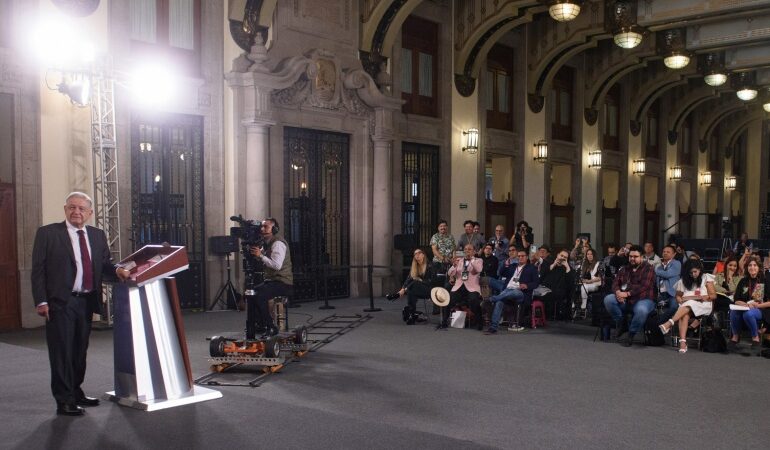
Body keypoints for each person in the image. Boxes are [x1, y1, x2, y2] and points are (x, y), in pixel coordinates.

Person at [31, 192, 131, 416]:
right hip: (60, 303)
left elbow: (104, 264)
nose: (76, 212)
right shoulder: (48, 233)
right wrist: (41, 300)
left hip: (86, 302)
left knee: (79, 351)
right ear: (65, 209)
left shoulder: (96, 235)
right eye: (72, 207)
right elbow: (38, 270)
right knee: (62, 353)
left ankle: (76, 392)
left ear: (90, 213)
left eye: (81, 209)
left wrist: (118, 270)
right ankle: (64, 401)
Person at [247, 217, 293, 339]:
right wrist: (258, 255)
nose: (262, 229)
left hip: (283, 282)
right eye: (261, 226)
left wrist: (261, 256)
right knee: (252, 293)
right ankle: (261, 324)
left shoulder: (277, 243)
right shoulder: (267, 243)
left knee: (259, 294)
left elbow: (277, 266)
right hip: (273, 281)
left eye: (266, 226)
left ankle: (270, 326)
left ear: (274, 229)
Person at [603, 245, 656, 347]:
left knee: (641, 310)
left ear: (642, 257)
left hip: (644, 299)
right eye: (631, 256)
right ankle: (622, 323)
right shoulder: (625, 268)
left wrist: (627, 293)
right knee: (608, 299)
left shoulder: (649, 268)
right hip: (626, 300)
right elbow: (615, 282)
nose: (632, 258)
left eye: (635, 256)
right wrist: (618, 292)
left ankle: (631, 334)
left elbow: (644, 286)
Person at [659, 259, 716, 353]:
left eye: (695, 272)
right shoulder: (683, 281)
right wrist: (679, 299)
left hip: (704, 305)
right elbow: (678, 295)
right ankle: (682, 343)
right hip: (687, 307)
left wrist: (705, 297)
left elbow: (714, 295)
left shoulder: (706, 278)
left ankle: (669, 323)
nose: (693, 274)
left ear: (700, 270)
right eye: (691, 272)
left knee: (688, 304)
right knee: (685, 313)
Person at [485, 249, 539, 333]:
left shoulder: (532, 268)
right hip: (507, 290)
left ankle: (493, 298)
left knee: (513, 292)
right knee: (500, 302)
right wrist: (505, 265)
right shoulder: (513, 266)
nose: (520, 258)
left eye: (522, 256)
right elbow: (501, 273)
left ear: (527, 257)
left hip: (521, 293)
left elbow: (536, 283)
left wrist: (527, 285)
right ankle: (493, 327)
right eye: (519, 256)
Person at [727, 258, 770, 356]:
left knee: (748, 314)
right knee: (734, 312)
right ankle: (735, 337)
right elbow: (736, 300)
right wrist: (745, 304)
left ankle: (755, 338)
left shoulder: (765, 280)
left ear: (759, 267)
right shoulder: (743, 281)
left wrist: (758, 305)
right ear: (747, 268)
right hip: (745, 307)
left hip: (761, 309)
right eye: (750, 265)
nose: (752, 267)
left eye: (755, 265)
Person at [440, 244, 483, 330]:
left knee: (474, 301)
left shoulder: (478, 260)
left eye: (470, 249)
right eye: (466, 249)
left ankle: (479, 322)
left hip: (472, 287)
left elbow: (478, 270)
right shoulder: (459, 260)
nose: (467, 251)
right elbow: (450, 273)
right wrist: (454, 265)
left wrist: (472, 259)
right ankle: (444, 321)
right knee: (448, 300)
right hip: (459, 286)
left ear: (474, 251)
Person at [387, 249, 436, 325]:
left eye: (419, 253)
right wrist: (403, 288)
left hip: (429, 290)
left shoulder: (430, 265)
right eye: (415, 254)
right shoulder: (414, 267)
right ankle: (411, 316)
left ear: (423, 254)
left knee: (415, 283)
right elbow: (408, 279)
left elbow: (432, 281)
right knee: (411, 291)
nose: (417, 255)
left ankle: (398, 294)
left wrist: (420, 280)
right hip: (416, 289)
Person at [536, 249, 574, 320]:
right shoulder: (549, 264)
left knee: (552, 294)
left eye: (565, 257)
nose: (562, 258)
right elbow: (542, 277)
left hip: (559, 291)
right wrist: (553, 265)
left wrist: (567, 267)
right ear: (557, 255)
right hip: (545, 288)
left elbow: (570, 284)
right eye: (561, 255)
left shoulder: (568, 269)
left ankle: (549, 315)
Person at [655, 245, 682, 322]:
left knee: (674, 307)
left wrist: (656, 271)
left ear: (674, 254)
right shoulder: (660, 266)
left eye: (668, 252)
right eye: (664, 252)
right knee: (650, 306)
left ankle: (659, 323)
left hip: (672, 294)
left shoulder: (676, 263)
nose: (665, 253)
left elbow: (668, 274)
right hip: (660, 294)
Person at [576, 248, 602, 312]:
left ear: (594, 255)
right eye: (588, 254)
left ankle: (583, 307)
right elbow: (581, 276)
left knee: (584, 287)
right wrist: (581, 280)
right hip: (585, 283)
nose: (589, 256)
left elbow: (600, 277)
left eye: (591, 254)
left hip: (595, 284)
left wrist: (589, 281)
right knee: (575, 287)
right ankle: (573, 306)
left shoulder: (598, 264)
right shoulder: (584, 264)